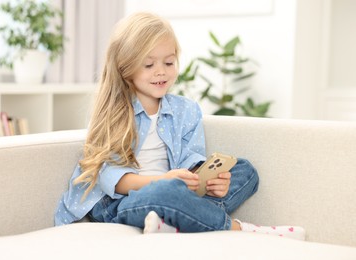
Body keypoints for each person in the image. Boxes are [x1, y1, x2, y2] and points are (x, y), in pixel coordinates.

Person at [55, 12, 305, 240]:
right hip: (124, 202)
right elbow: (112, 179)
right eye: (149, 64)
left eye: (169, 62)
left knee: (246, 171)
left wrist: (211, 182)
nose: (161, 72)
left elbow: (190, 160)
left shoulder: (186, 110)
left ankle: (174, 220)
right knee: (167, 193)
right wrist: (163, 181)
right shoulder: (113, 112)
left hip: (177, 189)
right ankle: (240, 229)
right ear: (126, 68)